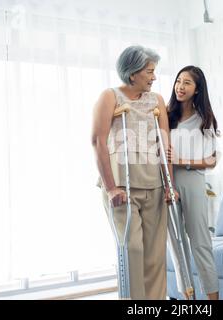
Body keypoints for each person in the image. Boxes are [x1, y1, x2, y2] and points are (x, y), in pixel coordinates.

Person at [91, 45, 178, 300]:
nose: (154, 77)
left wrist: (170, 185)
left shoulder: (157, 100)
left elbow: (165, 146)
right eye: (150, 71)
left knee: (154, 255)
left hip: (155, 185)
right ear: (133, 74)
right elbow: (98, 141)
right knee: (132, 250)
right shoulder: (109, 97)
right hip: (122, 186)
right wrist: (110, 188)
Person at [167, 65, 220, 300]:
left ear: (197, 89)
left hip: (193, 182)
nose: (181, 86)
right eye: (179, 81)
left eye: (187, 82)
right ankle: (189, 301)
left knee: (200, 243)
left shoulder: (204, 119)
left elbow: (212, 160)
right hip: (167, 184)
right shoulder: (166, 116)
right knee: (177, 247)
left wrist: (182, 160)